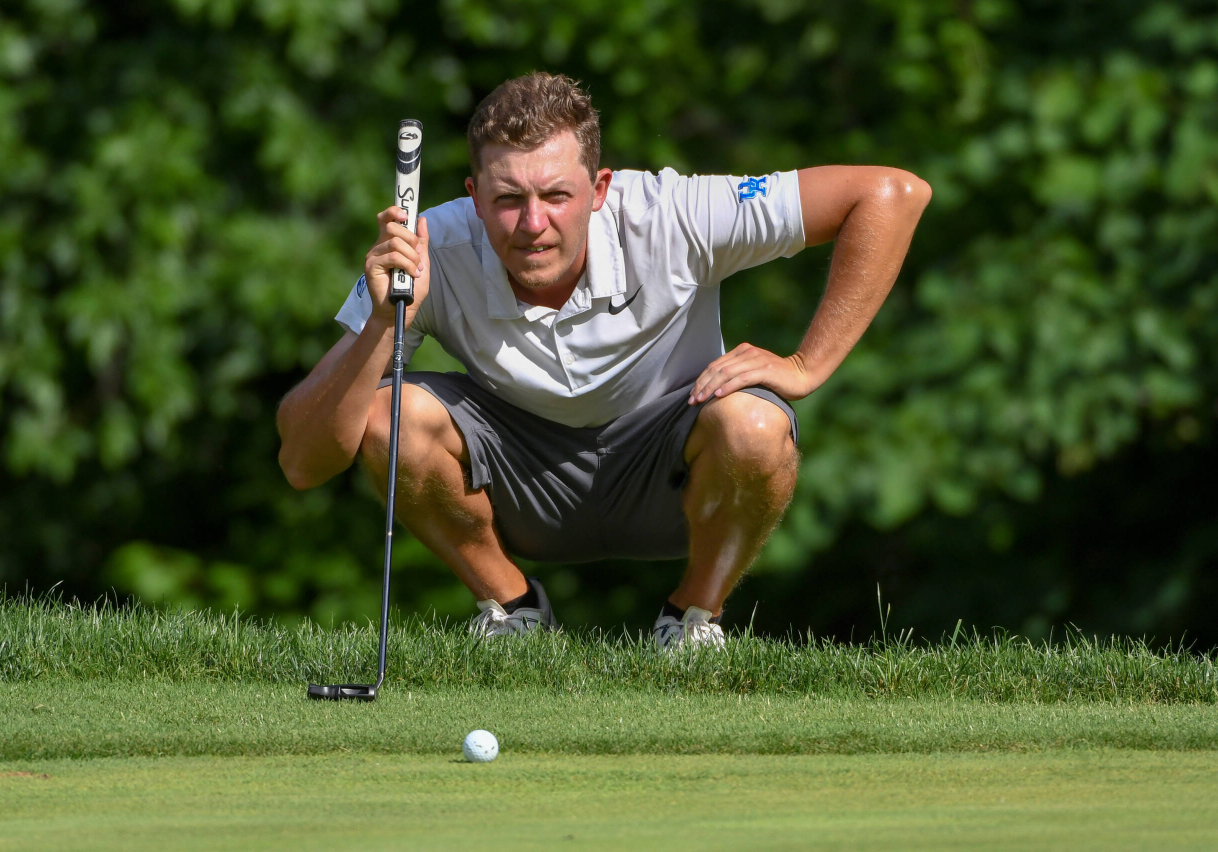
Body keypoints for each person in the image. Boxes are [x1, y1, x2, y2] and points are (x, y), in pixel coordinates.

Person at [276, 72, 930, 649]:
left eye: (556, 195)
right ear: (474, 197)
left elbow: (892, 194)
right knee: (389, 416)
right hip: (522, 484)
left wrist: (807, 365)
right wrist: (382, 325)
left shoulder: (673, 212)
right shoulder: (428, 247)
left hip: (672, 474)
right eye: (508, 200)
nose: (533, 223)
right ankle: (513, 612)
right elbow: (304, 461)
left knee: (757, 425)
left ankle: (691, 621)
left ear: (600, 187)